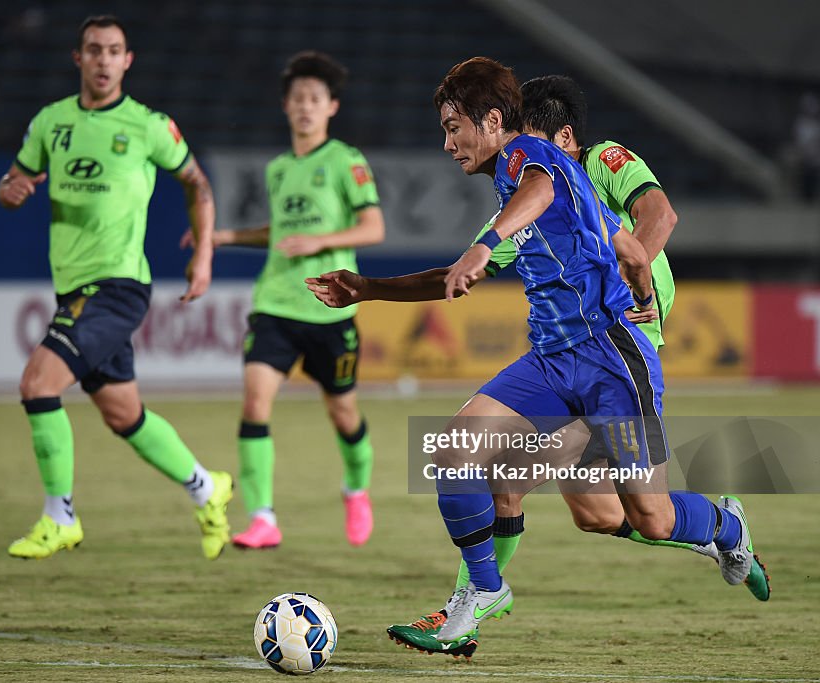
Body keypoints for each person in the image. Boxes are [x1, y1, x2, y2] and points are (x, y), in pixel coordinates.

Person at [308, 56, 759, 653]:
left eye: (453, 127)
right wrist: (367, 289)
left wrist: (491, 244)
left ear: (494, 120)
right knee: (453, 454)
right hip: (550, 362)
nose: (447, 143)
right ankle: (482, 592)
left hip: (610, 365)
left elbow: (554, 193)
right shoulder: (516, 188)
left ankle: (727, 528)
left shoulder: (535, 158)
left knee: (649, 516)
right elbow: (615, 246)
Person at [0, 15, 232, 562]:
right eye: (94, 50)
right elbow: (16, 178)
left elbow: (196, 183)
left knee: (38, 384)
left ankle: (61, 515)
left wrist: (203, 255)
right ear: (78, 59)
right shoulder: (50, 123)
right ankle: (207, 487)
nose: (104, 60)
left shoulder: (150, 125)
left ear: (128, 61)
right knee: (123, 414)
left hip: (119, 285)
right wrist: (9, 190)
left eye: (114, 51)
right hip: (72, 288)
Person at [187, 51, 385, 549]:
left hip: (329, 305)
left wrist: (320, 242)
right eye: (298, 99)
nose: (305, 107)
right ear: (285, 106)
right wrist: (224, 236)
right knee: (255, 403)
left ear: (331, 107)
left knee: (343, 413)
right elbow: (283, 233)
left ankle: (356, 489)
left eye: (315, 99)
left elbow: (373, 227)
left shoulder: (345, 160)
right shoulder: (278, 169)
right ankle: (263, 518)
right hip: (275, 302)